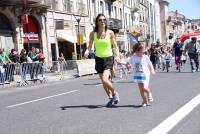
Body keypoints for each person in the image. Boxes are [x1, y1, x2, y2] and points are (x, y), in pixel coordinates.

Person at [84, 14, 120, 107]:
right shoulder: (93, 34)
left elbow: (115, 46)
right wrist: (86, 52)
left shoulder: (110, 33)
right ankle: (111, 98)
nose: (102, 21)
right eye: (100, 20)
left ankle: (115, 93)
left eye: (104, 20)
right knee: (103, 83)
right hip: (98, 59)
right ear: (97, 22)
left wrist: (118, 56)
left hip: (108, 58)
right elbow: (89, 47)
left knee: (105, 79)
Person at [128, 43, 155, 107]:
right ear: (136, 51)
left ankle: (149, 93)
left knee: (145, 87)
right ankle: (144, 101)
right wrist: (120, 62)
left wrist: (152, 70)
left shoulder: (145, 57)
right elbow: (127, 62)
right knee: (141, 90)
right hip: (138, 74)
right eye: (140, 52)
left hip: (145, 74)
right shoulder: (133, 57)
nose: (142, 53)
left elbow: (150, 64)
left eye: (143, 51)